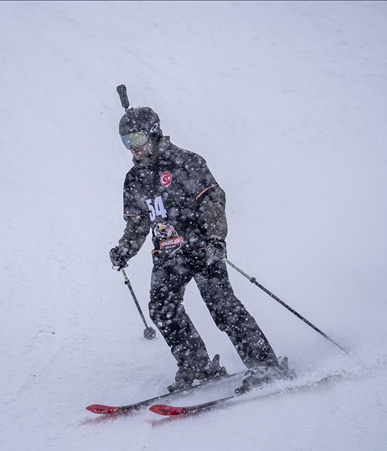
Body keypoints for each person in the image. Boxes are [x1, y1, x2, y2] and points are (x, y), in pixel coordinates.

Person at [109, 104, 294, 394]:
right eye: (126, 141)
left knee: (223, 308)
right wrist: (124, 250)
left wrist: (216, 240)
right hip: (167, 255)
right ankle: (195, 366)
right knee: (162, 309)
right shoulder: (134, 180)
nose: (132, 148)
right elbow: (137, 225)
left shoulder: (185, 162)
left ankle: (265, 365)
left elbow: (213, 201)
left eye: (137, 139)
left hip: (200, 249)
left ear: (154, 134)